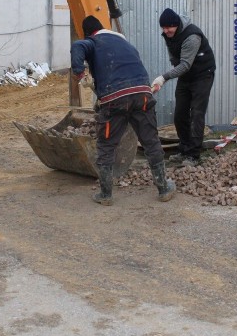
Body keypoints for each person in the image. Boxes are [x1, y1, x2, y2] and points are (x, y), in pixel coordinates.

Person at [71, 15, 176, 206]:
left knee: (107, 146)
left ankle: (106, 195)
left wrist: (80, 73)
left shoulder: (93, 41)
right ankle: (163, 189)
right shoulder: (125, 43)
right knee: (151, 142)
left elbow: (77, 46)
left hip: (114, 100)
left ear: (89, 33)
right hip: (142, 95)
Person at [151, 8, 216, 166]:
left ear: (177, 25)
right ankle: (184, 148)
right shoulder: (169, 34)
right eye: (163, 28)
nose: (166, 31)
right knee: (180, 114)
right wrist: (173, 68)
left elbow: (185, 64)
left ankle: (193, 155)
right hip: (186, 76)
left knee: (196, 113)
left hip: (202, 74)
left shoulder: (192, 36)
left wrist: (164, 78)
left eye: (169, 28)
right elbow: (175, 57)